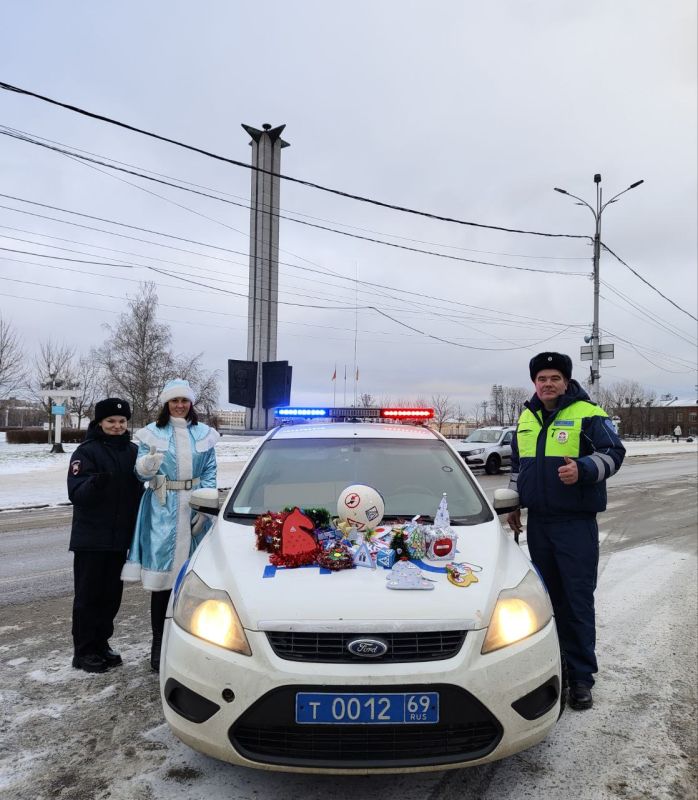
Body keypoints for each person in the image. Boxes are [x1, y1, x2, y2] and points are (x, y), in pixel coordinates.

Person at [507, 352, 625, 711]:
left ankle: (582, 678)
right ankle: (555, 666)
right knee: (546, 601)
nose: (547, 384)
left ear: (566, 381)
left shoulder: (587, 414)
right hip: (540, 524)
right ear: (534, 383)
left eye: (554, 378)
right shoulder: (526, 417)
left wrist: (585, 469)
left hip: (575, 524)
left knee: (575, 601)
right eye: (542, 378)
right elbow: (518, 465)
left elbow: (614, 452)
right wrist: (513, 503)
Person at [121, 379, 219, 672]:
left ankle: (196, 645)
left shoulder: (203, 434)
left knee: (196, 584)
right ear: (166, 404)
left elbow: (211, 471)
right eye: (174, 401)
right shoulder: (153, 433)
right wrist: (147, 466)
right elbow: (139, 475)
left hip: (195, 508)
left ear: (191, 404)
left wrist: (206, 507)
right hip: (162, 510)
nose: (180, 405)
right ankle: (159, 644)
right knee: (162, 584)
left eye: (184, 401)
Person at [68, 398, 143, 673]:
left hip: (119, 540)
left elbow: (139, 490)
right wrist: (95, 483)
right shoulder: (86, 452)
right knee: (88, 596)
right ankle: (84, 650)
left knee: (111, 596)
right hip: (91, 540)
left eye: (122, 422)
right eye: (111, 421)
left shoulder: (133, 451)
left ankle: (101, 644)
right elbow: (75, 493)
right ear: (100, 422)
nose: (117, 426)